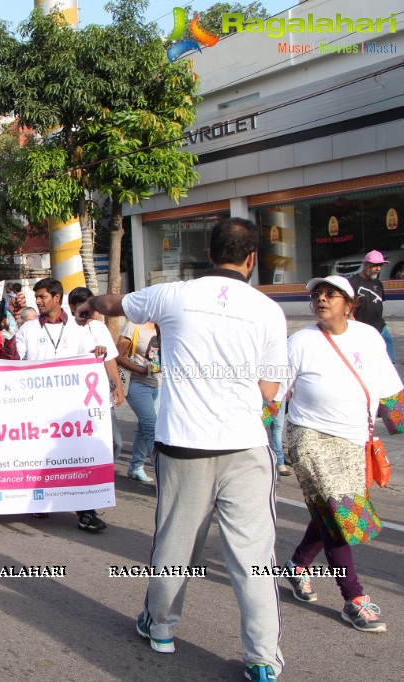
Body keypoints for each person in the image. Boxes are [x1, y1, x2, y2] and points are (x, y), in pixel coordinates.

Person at [75, 217, 286, 681]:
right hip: (246, 446)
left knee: (174, 543)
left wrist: (90, 304)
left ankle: (162, 628)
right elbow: (270, 389)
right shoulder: (269, 310)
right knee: (253, 558)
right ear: (253, 259)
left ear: (208, 254)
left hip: (183, 443)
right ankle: (263, 660)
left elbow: (115, 302)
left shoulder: (173, 294)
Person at [282, 275, 402, 634]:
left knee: (328, 511)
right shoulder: (299, 342)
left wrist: (398, 422)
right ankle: (354, 598)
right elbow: (274, 396)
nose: (321, 299)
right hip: (310, 438)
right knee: (340, 517)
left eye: (330, 294)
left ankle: (297, 565)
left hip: (353, 442)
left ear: (349, 304)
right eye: (316, 294)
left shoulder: (368, 336)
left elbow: (389, 386)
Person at [14, 280, 115, 532]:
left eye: (42, 296)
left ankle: (86, 511)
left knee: (76, 457)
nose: (37, 301)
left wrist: (97, 354)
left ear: (57, 298)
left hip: (70, 409)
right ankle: (39, 502)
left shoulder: (79, 330)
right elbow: (17, 363)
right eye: (36, 297)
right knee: (39, 456)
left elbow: (88, 362)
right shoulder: (26, 329)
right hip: (36, 407)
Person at [116, 319, 161, 482]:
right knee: (152, 427)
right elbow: (118, 355)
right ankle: (163, 473)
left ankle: (136, 466)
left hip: (159, 383)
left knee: (145, 427)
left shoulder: (162, 325)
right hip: (137, 384)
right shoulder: (133, 326)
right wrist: (140, 370)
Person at [348, 250, 394, 363]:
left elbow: (378, 304)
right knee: (367, 360)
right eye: (375, 265)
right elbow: (348, 309)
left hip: (381, 328)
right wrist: (356, 328)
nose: (378, 269)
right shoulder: (352, 283)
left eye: (380, 265)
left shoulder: (378, 283)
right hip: (363, 330)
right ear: (365, 265)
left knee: (390, 361)